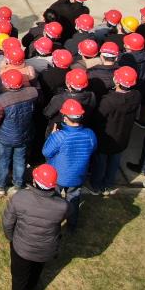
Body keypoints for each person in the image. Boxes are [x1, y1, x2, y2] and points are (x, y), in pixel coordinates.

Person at [2, 164, 68, 290]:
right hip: (45, 250)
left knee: (19, 279)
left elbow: (7, 223)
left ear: (34, 181)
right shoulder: (62, 206)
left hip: (21, 249)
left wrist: (12, 239)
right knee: (35, 274)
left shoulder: (20, 197)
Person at [42, 99, 96, 232]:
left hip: (57, 176)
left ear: (65, 118)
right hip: (78, 175)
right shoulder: (90, 134)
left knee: (54, 201)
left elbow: (46, 152)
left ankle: (53, 224)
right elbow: (92, 149)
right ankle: (72, 226)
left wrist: (52, 136)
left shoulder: (59, 136)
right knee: (74, 200)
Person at [88, 66, 141, 195]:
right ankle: (108, 184)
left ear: (116, 81)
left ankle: (96, 186)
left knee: (100, 163)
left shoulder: (108, 101)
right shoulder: (136, 96)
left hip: (106, 138)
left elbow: (97, 118)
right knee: (114, 162)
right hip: (122, 137)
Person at [0, 69, 38, 195]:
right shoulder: (32, 93)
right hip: (24, 134)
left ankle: (0, 185)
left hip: (4, 137)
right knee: (20, 160)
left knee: (3, 161)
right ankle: (18, 184)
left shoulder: (3, 99)